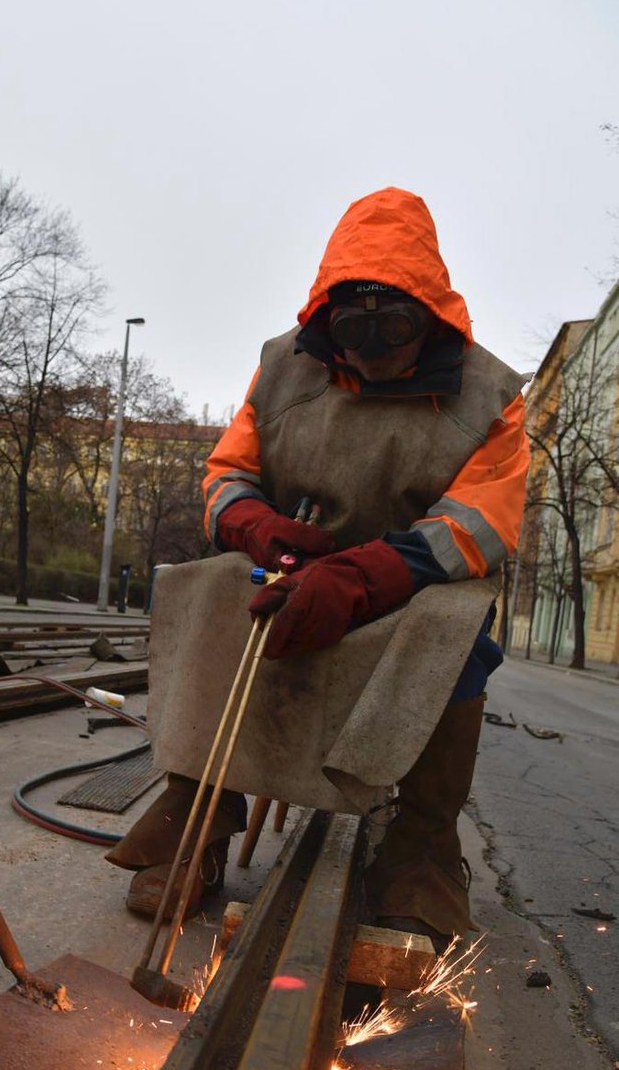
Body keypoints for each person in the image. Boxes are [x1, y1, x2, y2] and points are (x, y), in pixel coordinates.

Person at [106, 187, 529, 951]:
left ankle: (422, 851)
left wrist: (364, 575)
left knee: (457, 627)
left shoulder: (490, 394)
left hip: (404, 589)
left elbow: (481, 522)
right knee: (207, 587)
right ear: (328, 316)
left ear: (427, 316)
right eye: (353, 326)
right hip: (291, 570)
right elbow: (226, 475)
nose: (370, 347)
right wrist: (261, 532)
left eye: (391, 325)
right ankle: (196, 811)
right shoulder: (283, 369)